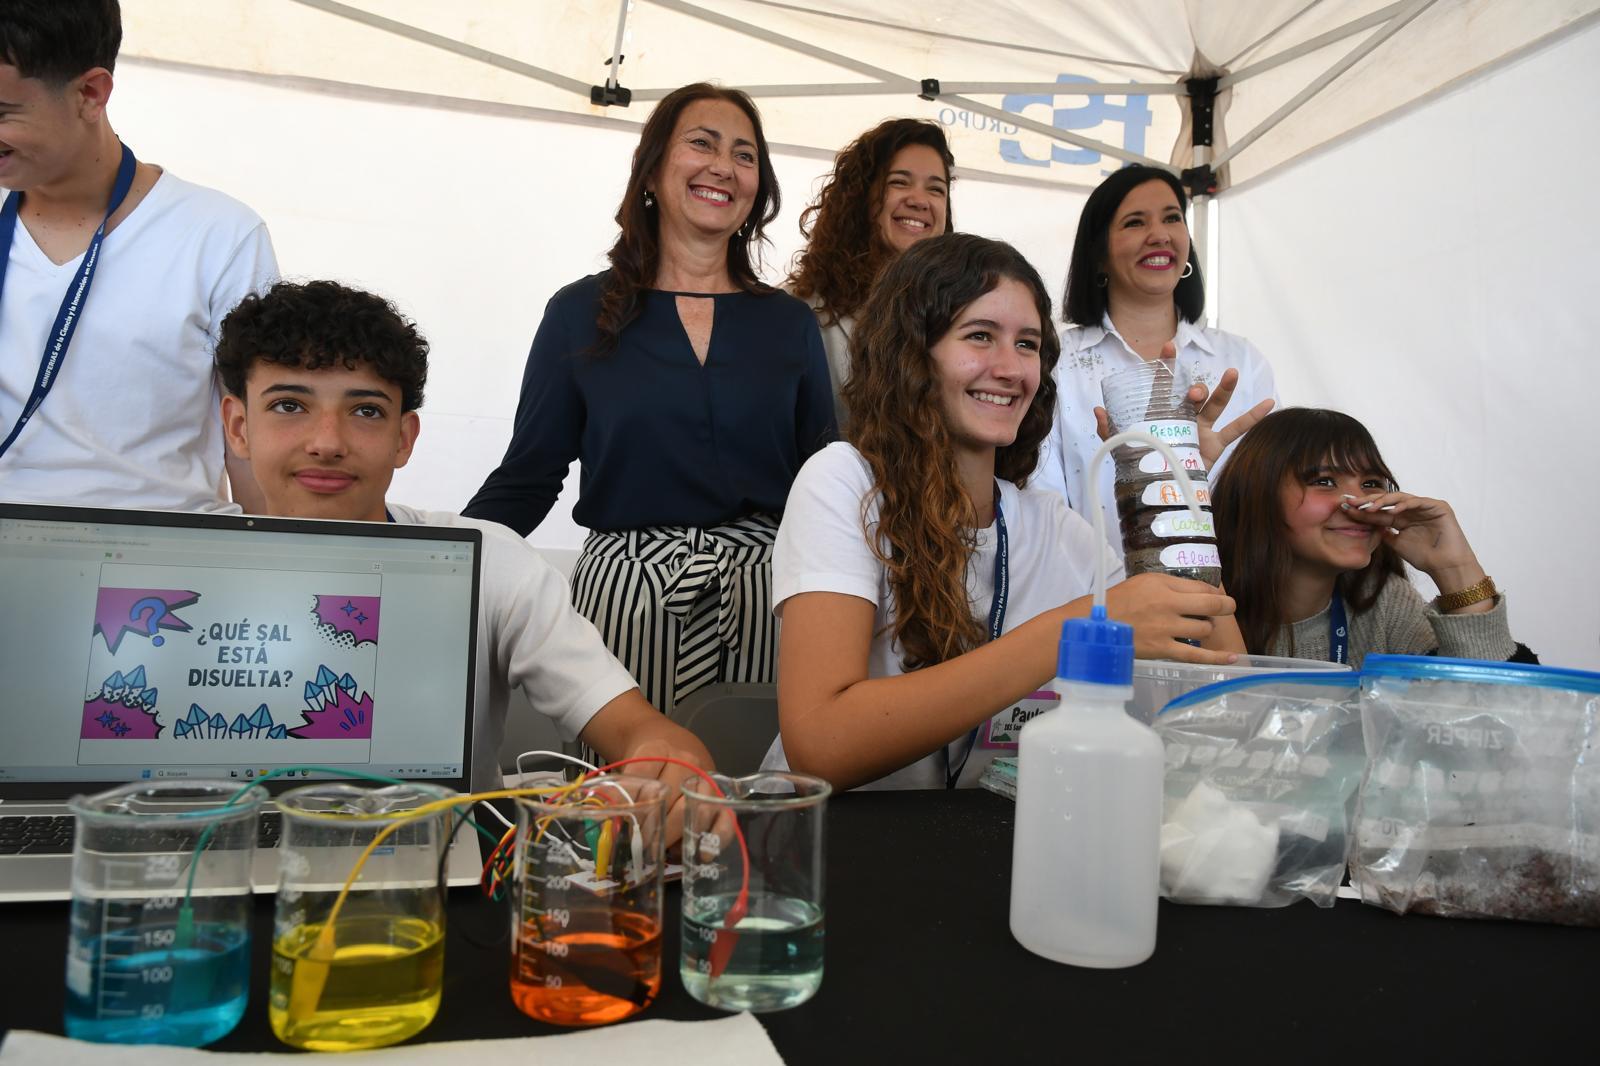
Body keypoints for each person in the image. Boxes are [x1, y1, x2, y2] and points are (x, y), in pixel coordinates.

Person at [214, 279, 714, 816]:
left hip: (442, 868)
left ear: (405, 437)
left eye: (366, 411)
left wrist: (667, 761)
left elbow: (638, 728)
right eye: (289, 405)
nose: (328, 442)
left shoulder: (490, 562)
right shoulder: (155, 557)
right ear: (239, 427)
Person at [769, 234, 1242, 792]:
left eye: (1028, 344)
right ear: (911, 353)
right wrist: (1078, 631)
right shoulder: (844, 482)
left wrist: (1173, 485)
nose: (1011, 368)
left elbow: (1217, 687)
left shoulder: (1055, 527)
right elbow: (820, 744)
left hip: (992, 852)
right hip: (834, 848)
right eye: (979, 336)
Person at [464, 83, 834, 723]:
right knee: (626, 807)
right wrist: (440, 560)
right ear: (653, 170)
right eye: (702, 143)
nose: (724, 166)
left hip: (764, 598)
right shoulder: (579, 312)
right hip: (625, 602)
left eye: (745, 155)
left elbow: (824, 480)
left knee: (755, 803)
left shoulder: (790, 323)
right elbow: (528, 476)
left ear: (758, 188)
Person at [0, 0, 276, 511]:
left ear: (90, 92)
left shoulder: (219, 235)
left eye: (3, 113)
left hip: (152, 564)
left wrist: (274, 570)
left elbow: (255, 445)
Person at [1032, 164, 1275, 539]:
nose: (1159, 235)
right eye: (1135, 222)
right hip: (1094, 590)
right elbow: (1041, 503)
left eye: (1172, 218)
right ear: (1098, 254)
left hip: (1227, 593)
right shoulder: (1055, 361)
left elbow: (1270, 498)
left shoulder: (1241, 361)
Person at [1211, 407, 1535, 668]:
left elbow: (1498, 722)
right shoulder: (1191, 595)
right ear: (1257, 495)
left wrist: (1456, 569)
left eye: (1370, 483)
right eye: (1324, 481)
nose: (1359, 504)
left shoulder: (1382, 602)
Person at [785, 117, 954, 423]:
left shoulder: (958, 312)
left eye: (936, 189)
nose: (919, 200)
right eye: (899, 182)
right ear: (863, 196)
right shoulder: (797, 311)